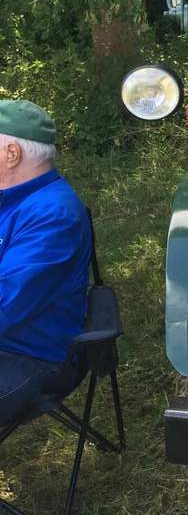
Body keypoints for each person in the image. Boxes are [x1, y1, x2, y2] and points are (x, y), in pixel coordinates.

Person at [0, 100, 91, 423]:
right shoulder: (14, 200)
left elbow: (7, 302)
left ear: (12, 153)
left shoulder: (52, 214)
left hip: (30, 354)